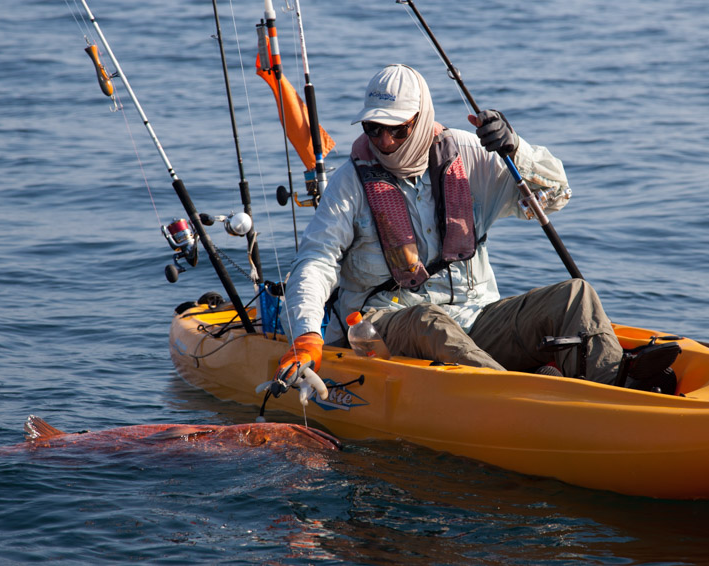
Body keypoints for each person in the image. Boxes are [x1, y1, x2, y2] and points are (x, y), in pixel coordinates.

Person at [273, 64, 674, 391]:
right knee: (431, 321)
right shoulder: (350, 183)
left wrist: (517, 149)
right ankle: (525, 397)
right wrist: (307, 335)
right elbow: (316, 262)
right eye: (373, 128)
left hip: (477, 319)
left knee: (576, 297)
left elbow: (555, 197)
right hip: (384, 327)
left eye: (398, 129)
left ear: (422, 118)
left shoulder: (467, 153)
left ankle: (616, 392)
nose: (385, 141)